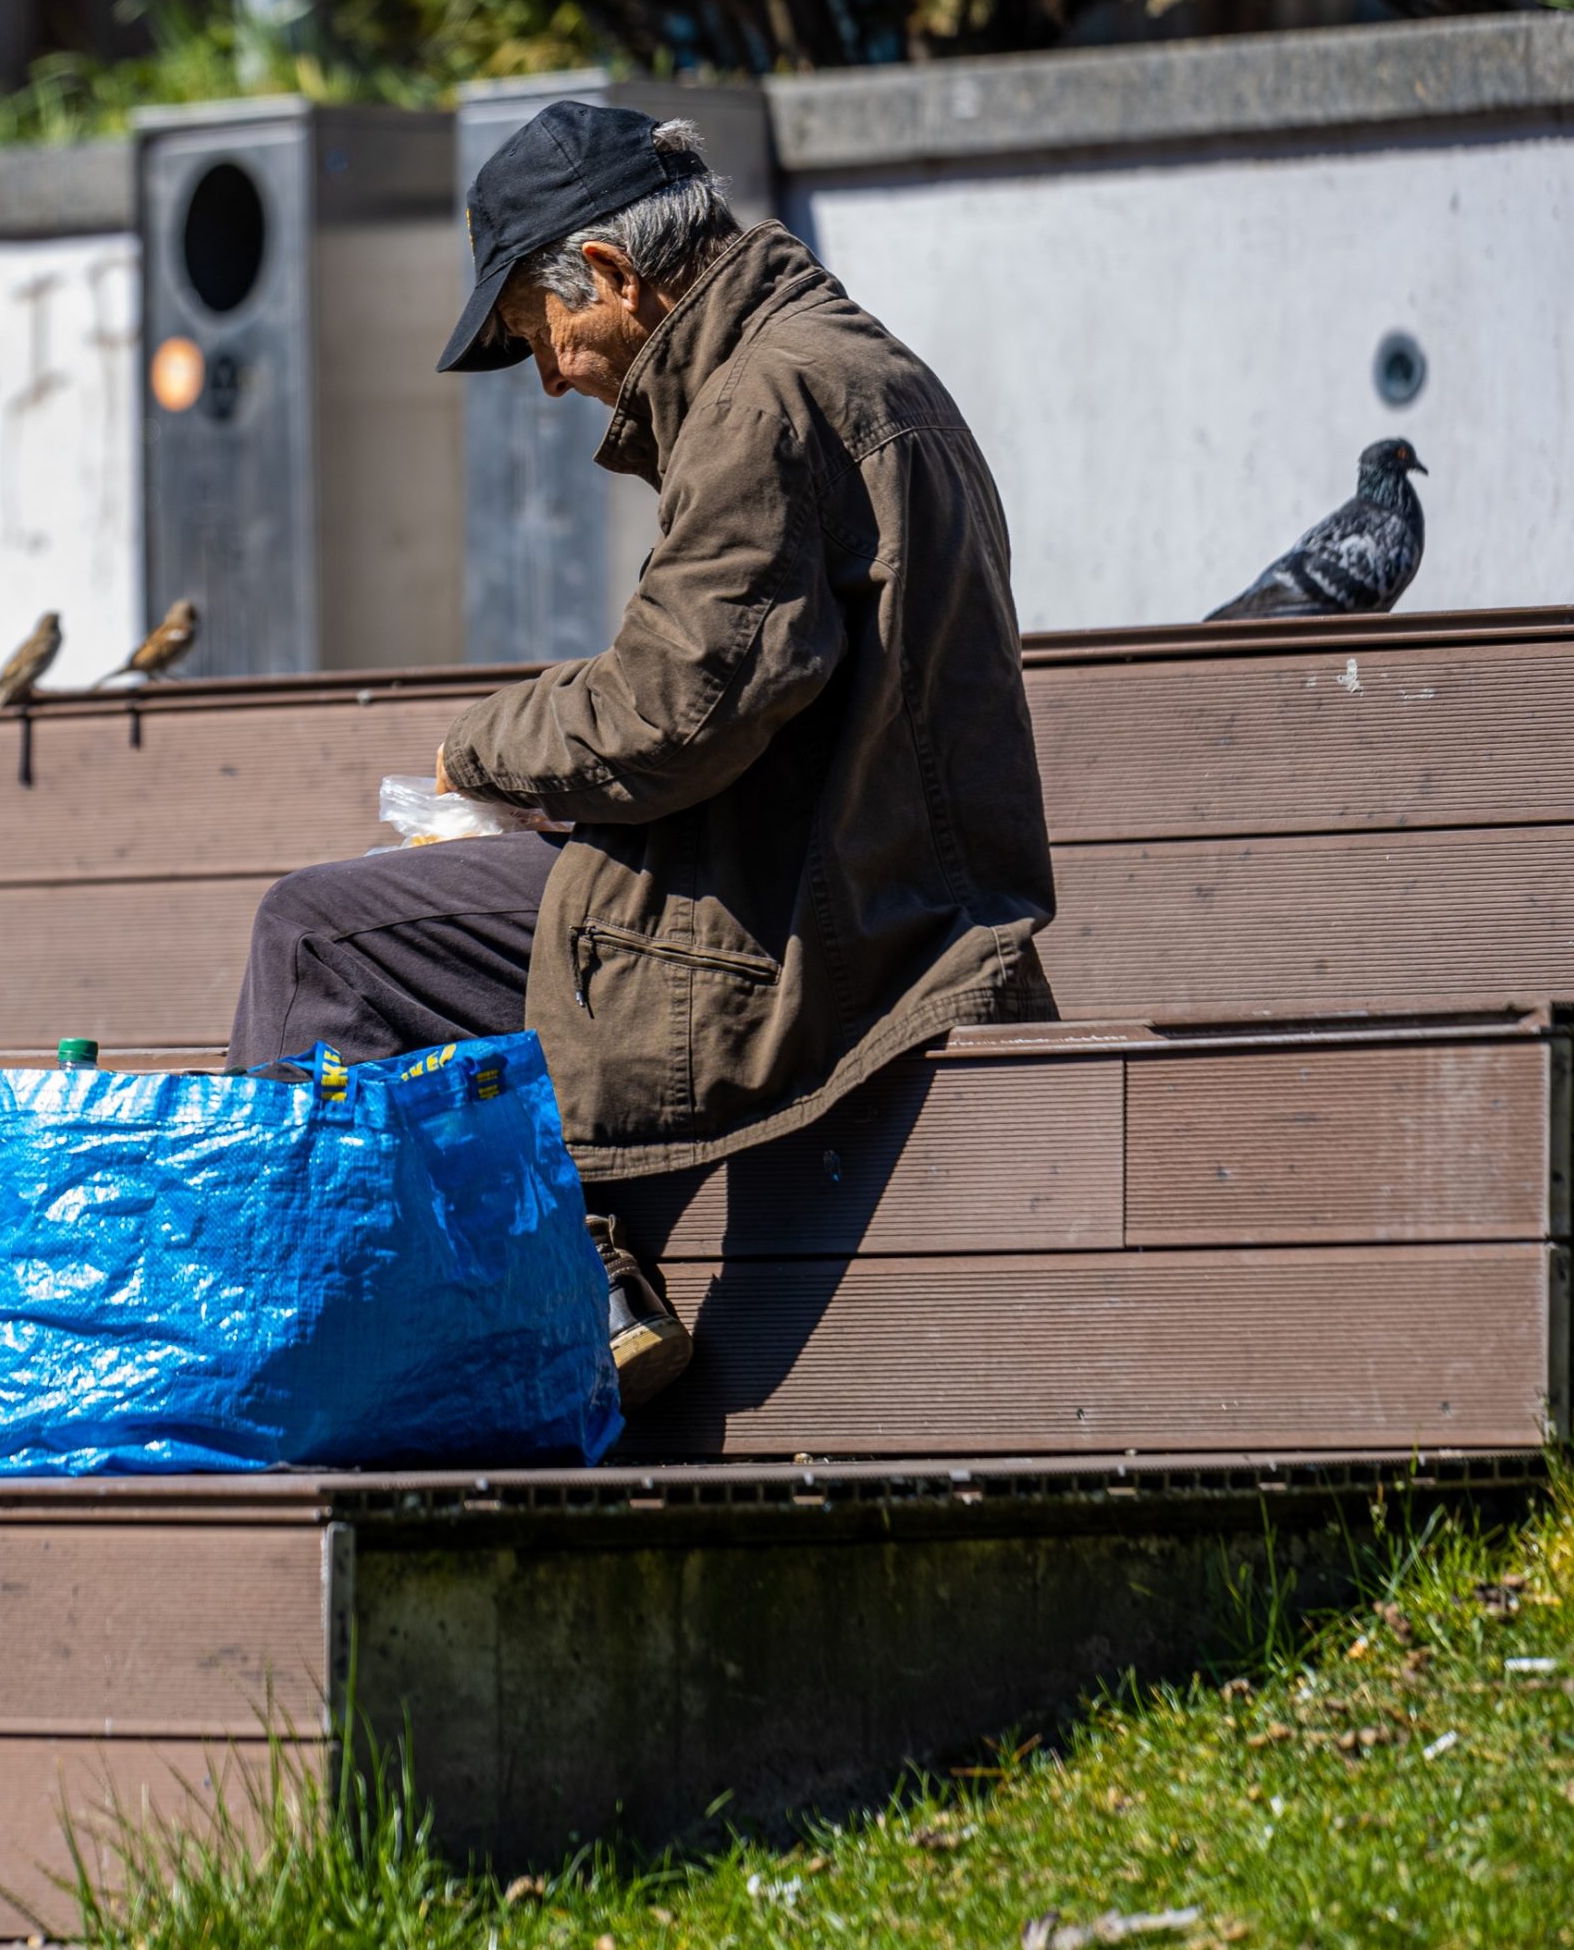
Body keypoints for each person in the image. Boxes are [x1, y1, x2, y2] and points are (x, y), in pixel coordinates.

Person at [224, 102, 1058, 1407]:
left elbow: (675, 704)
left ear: (611, 273)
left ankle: (307, 1339)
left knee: (319, 937)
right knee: (480, 917)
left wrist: (478, 748)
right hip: (871, 890)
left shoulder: (759, 401)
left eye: (538, 334)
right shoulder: (858, 365)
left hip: (798, 929)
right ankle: (572, 1271)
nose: (551, 377)